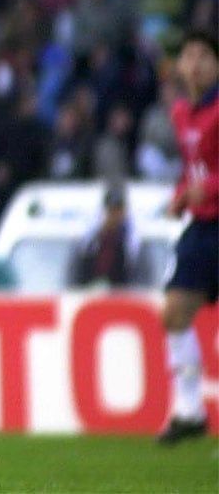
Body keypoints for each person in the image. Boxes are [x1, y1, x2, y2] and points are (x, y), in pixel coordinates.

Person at [158, 29, 219, 445]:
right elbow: (194, 168)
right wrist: (181, 195)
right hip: (201, 227)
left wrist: (209, 189)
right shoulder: (181, 113)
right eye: (188, 55)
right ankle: (189, 411)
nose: (194, 63)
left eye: (204, 55)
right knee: (174, 311)